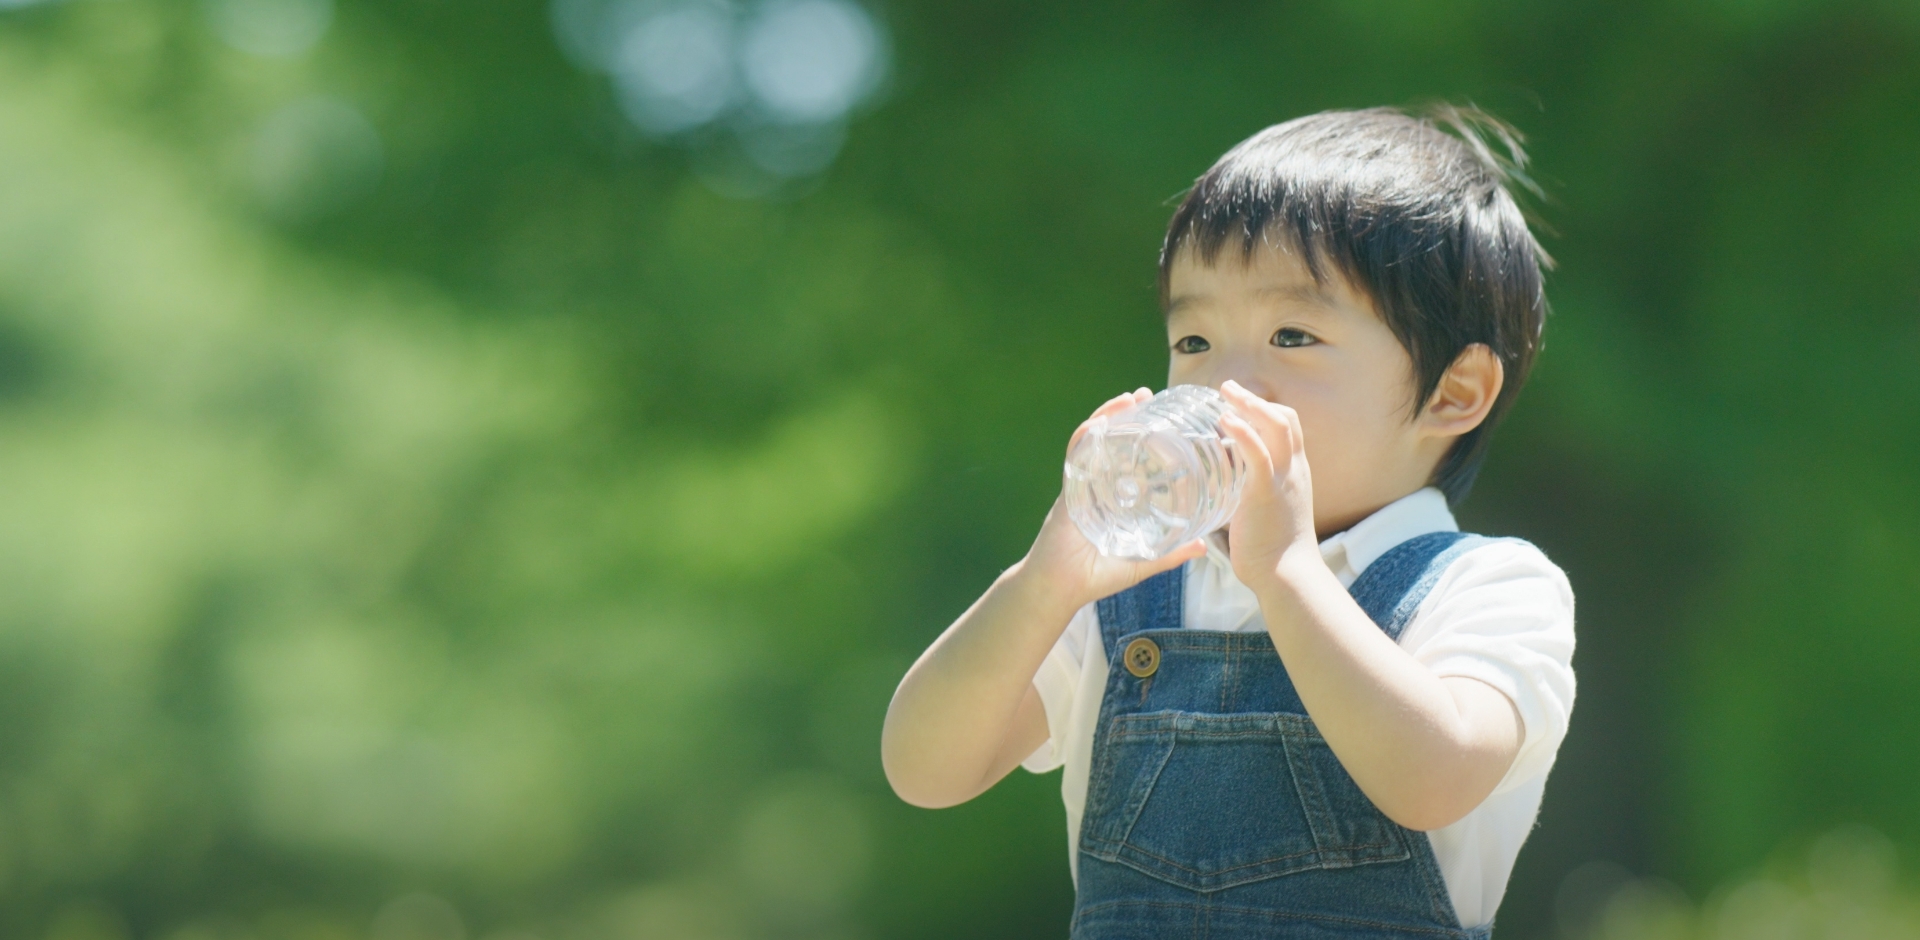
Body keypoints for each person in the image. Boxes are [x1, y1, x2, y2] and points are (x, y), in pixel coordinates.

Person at [880, 106, 1576, 939]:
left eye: (1292, 334)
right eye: (1196, 340)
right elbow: (925, 769)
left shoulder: (1489, 586)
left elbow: (1432, 777)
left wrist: (1285, 573)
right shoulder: (1131, 597)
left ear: (1452, 393)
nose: (1223, 387)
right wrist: (1041, 587)